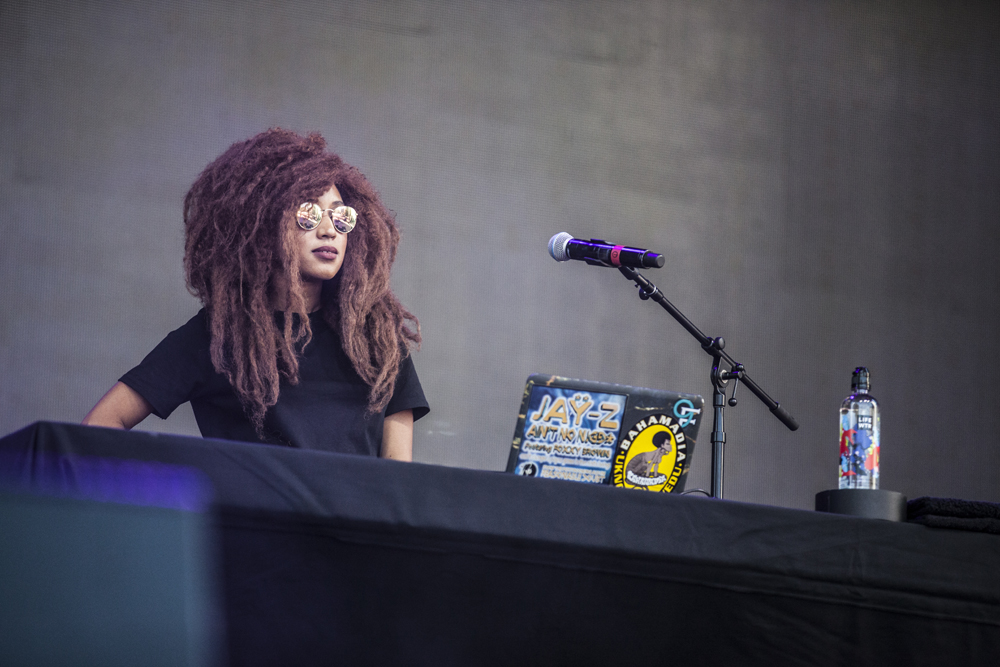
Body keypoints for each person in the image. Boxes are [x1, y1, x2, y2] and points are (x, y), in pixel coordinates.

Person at [83, 129, 427, 460]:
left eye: (341, 217)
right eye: (308, 214)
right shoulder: (218, 337)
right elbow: (101, 425)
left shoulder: (379, 342)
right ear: (262, 224)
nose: (328, 230)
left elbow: (398, 477)